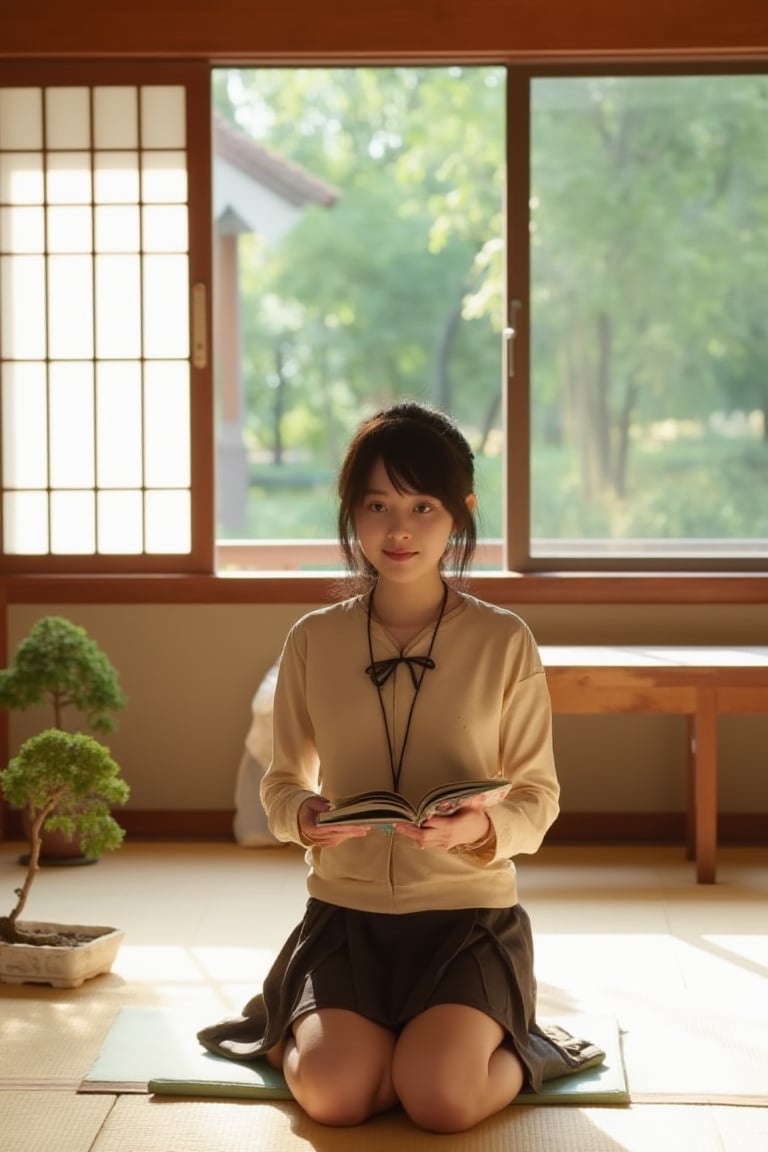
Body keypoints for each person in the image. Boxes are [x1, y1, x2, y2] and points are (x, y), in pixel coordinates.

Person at [198, 401, 604, 1133]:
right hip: (346, 920)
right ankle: (334, 1033)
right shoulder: (313, 641)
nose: (399, 528)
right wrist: (303, 817)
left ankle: (530, 1043)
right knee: (334, 1098)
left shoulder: (505, 641)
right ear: (352, 511)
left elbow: (538, 796)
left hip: (467, 919)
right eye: (377, 504)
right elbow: (283, 779)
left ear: (461, 511)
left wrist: (480, 829)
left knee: (442, 1103)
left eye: (423, 504)